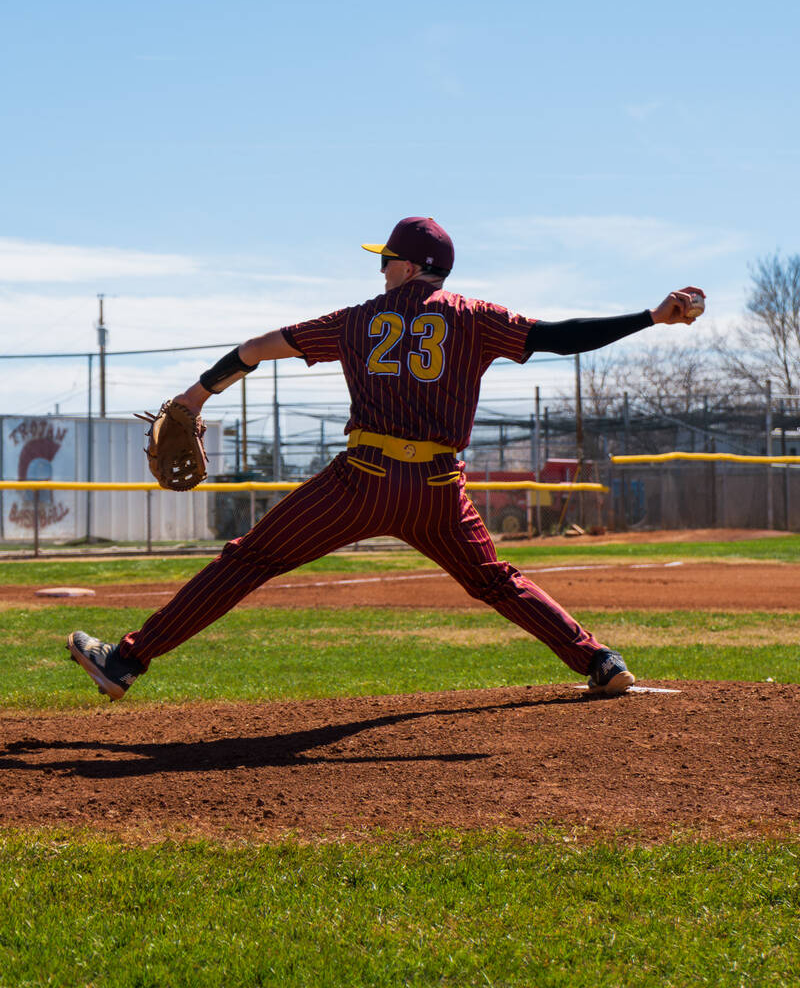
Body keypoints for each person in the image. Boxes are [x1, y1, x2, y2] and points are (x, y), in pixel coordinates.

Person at [66, 216, 704, 700]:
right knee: (495, 581)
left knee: (250, 559)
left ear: (408, 266)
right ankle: (600, 661)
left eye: (387, 261)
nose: (381, 271)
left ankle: (125, 661)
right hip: (437, 488)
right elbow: (559, 336)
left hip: (361, 481)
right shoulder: (476, 317)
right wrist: (652, 316)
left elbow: (256, 348)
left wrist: (194, 395)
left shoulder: (356, 319)